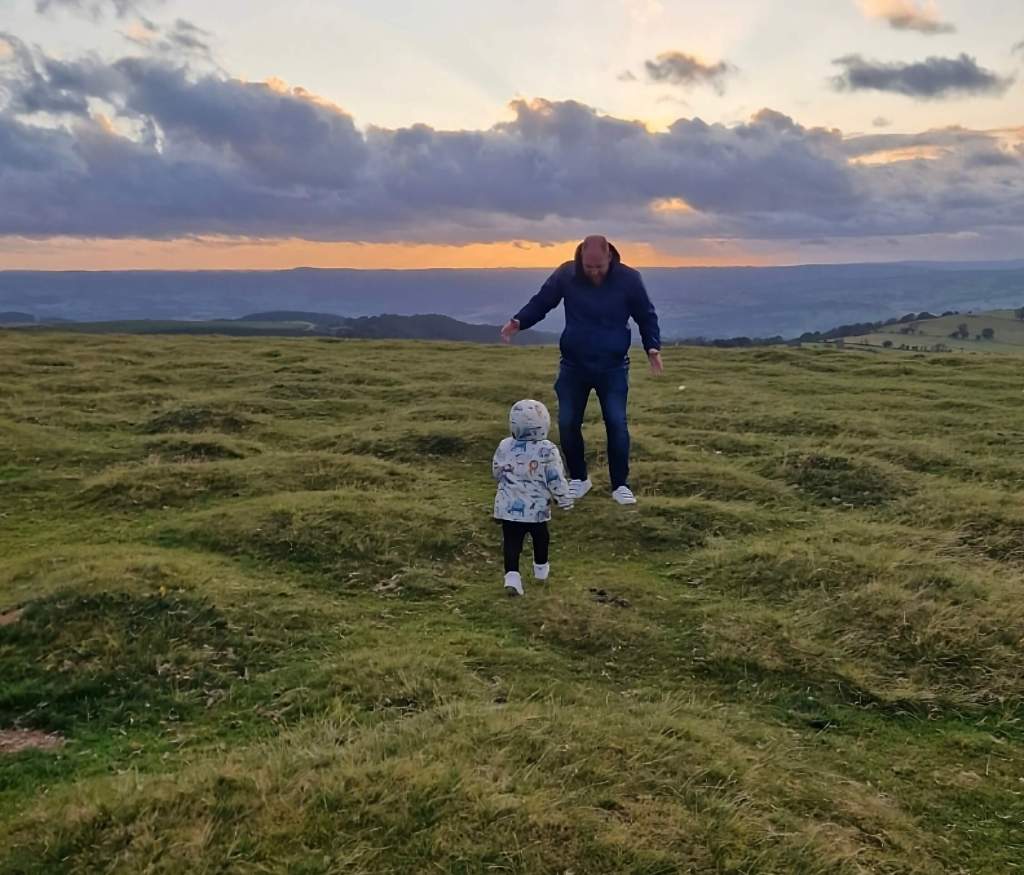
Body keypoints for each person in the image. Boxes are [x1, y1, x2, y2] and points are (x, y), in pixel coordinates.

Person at [500, 235, 663, 505]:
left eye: (599, 267)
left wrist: (652, 348)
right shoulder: (567, 274)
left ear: (610, 257)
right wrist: (518, 322)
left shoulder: (629, 279)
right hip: (573, 365)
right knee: (567, 422)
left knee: (616, 424)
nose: (595, 272)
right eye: (589, 267)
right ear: (581, 259)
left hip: (613, 365)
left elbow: (646, 315)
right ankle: (578, 478)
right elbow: (542, 302)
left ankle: (620, 485)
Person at [492, 399, 573, 597]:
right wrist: (564, 499)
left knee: (512, 542)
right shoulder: (547, 449)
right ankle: (541, 569)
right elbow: (555, 477)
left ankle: (512, 577)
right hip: (536, 510)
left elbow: (496, 471)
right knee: (541, 537)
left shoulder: (505, 445)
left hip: (508, 507)